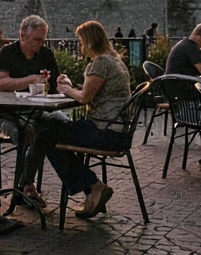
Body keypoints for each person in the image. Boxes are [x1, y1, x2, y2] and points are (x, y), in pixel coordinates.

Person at [38, 21, 132, 219]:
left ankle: (93, 187)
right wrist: (72, 87)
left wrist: (66, 89)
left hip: (104, 133)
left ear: (89, 42)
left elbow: (85, 98)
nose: (80, 46)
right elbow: (90, 91)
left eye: (81, 41)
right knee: (55, 131)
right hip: (116, 132)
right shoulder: (115, 60)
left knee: (47, 137)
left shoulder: (101, 63)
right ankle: (91, 192)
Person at [0, 14, 65, 207]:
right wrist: (30, 79)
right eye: (37, 40)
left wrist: (63, 83)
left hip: (38, 110)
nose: (40, 44)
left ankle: (23, 186)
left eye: (43, 39)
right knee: (29, 132)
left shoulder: (46, 55)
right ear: (22, 35)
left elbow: (56, 84)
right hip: (8, 113)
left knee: (62, 124)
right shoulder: (7, 53)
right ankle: (26, 187)